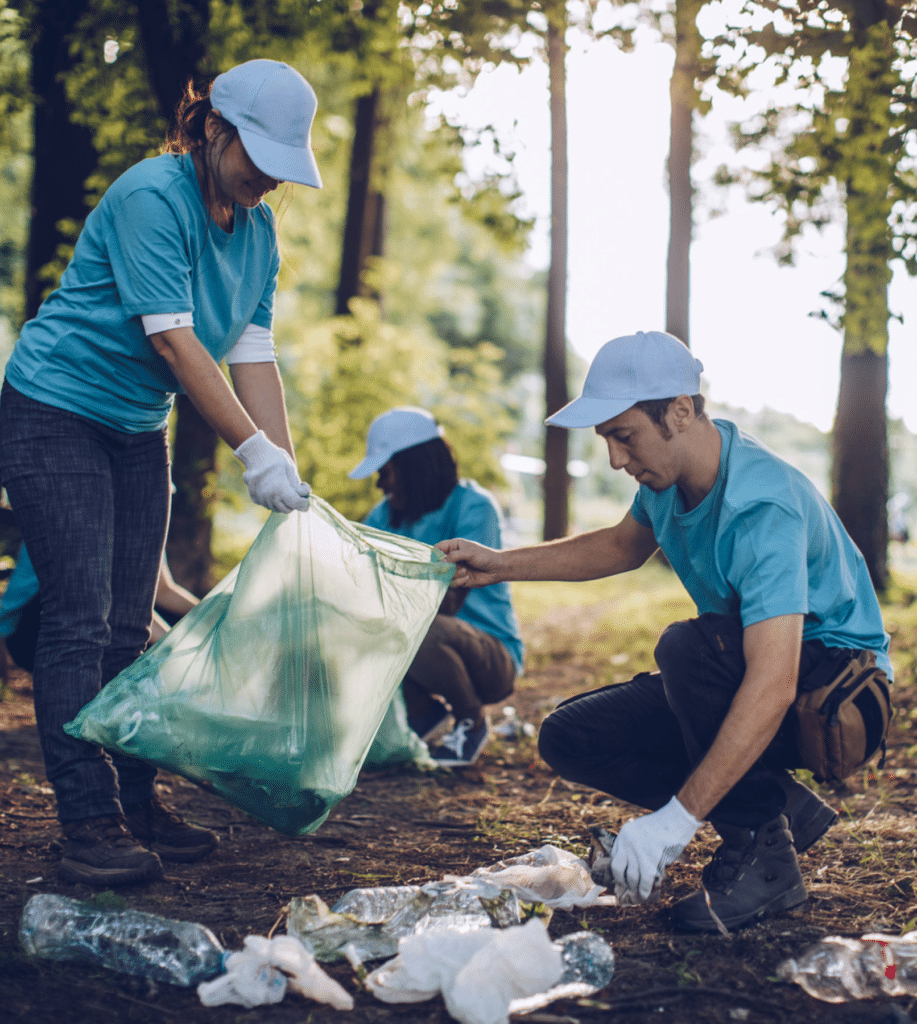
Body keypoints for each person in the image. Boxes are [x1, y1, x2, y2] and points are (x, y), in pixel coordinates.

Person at [438, 330, 893, 932]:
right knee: (571, 737)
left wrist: (676, 821)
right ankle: (777, 805)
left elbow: (774, 682)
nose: (616, 460)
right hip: (750, 669)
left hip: (836, 696)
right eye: (607, 441)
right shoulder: (667, 481)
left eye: (624, 436)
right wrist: (497, 564)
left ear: (681, 411)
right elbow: (622, 547)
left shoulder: (763, 506)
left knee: (689, 648)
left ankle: (764, 856)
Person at [0, 59, 321, 886]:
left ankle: (136, 801)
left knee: (127, 627)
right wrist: (251, 454)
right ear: (214, 130)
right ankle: (87, 822)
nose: (265, 182)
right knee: (77, 622)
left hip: (138, 427)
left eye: (281, 168)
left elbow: (252, 354)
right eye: (257, 160)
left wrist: (287, 474)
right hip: (55, 410)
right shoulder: (152, 196)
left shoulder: (256, 230)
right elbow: (175, 342)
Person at [350, 407, 524, 766]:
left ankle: (470, 721)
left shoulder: (474, 508)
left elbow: (446, 600)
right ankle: (421, 712)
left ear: (414, 466)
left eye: (386, 472)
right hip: (417, 648)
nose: (381, 484)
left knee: (418, 625)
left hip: (489, 657)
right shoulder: (385, 515)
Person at [0, 546, 199, 675]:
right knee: (167, 649)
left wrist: (217, 615)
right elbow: (111, 598)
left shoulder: (144, 518)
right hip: (29, 628)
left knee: (182, 626)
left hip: (94, 614)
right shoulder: (94, 506)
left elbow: (163, 591)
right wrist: (181, 651)